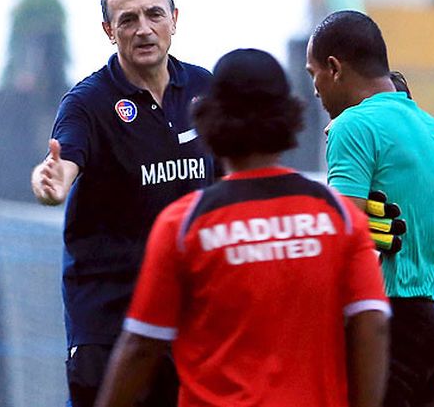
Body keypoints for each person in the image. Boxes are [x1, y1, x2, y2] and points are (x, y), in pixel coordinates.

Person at [95, 48, 391, 407]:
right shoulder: (339, 217)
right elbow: (373, 323)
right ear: (289, 116)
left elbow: (141, 346)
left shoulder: (184, 225)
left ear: (208, 119)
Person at [30, 0, 216, 407]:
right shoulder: (87, 102)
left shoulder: (206, 89)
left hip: (191, 316)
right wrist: (52, 180)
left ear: (174, 18)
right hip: (110, 320)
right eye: (128, 19)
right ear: (108, 31)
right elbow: (65, 158)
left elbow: (234, 181)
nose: (144, 29)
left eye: (154, 14)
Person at [306, 10, 434, 407]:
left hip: (391, 325)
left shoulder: (352, 126)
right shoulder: (431, 127)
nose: (316, 91)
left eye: (313, 75)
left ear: (334, 69)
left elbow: (340, 240)